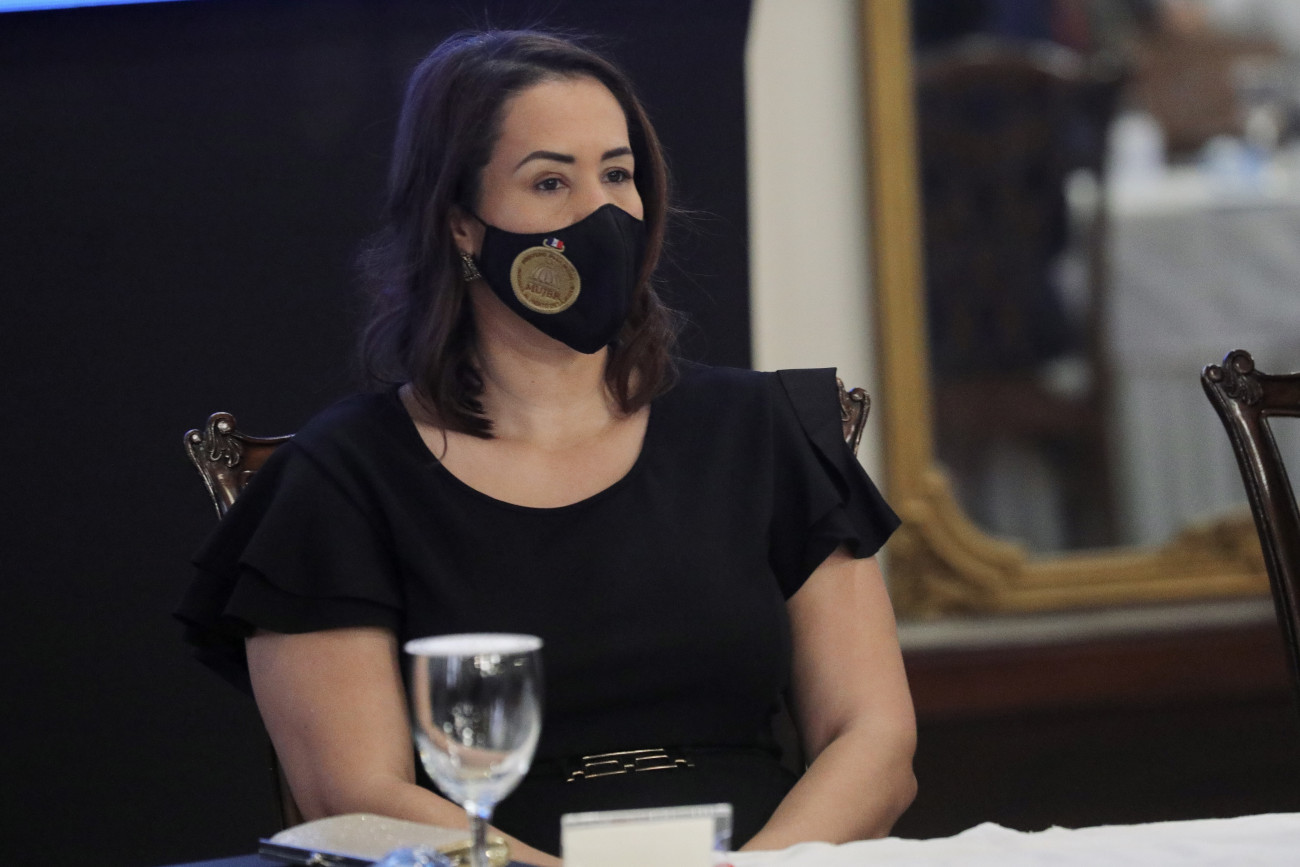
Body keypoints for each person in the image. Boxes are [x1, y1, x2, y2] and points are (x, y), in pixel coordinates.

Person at [177, 30, 916, 865]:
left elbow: (874, 737)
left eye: (617, 175)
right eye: (550, 181)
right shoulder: (344, 477)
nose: (600, 213)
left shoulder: (762, 430)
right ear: (460, 224)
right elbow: (353, 796)